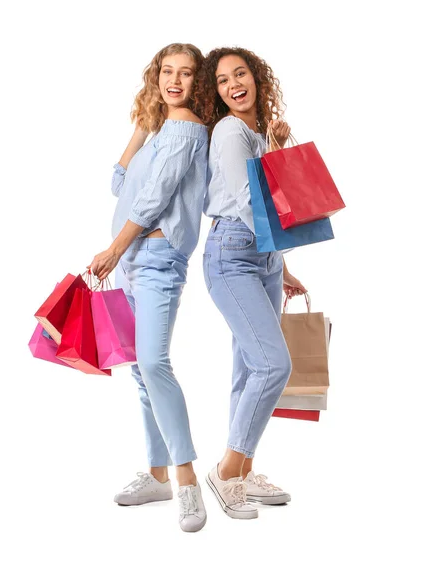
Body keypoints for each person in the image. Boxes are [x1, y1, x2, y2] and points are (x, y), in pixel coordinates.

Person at [90, 43, 208, 533]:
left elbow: (153, 197)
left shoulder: (185, 129)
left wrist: (114, 250)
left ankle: (186, 481)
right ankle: (158, 474)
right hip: (133, 260)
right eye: (166, 72)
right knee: (140, 367)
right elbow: (121, 182)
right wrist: (144, 121)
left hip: (155, 257)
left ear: (197, 83)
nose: (174, 81)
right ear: (155, 76)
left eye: (185, 74)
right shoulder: (162, 126)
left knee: (154, 361)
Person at [196, 47, 307, 520]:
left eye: (239, 74)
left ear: (256, 78)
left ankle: (243, 473)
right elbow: (248, 202)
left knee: (248, 370)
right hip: (233, 254)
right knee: (272, 366)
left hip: (261, 258)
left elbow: (271, 193)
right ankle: (226, 470)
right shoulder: (228, 131)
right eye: (222, 81)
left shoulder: (257, 133)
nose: (232, 85)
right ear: (217, 93)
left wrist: (280, 265)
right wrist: (272, 252)